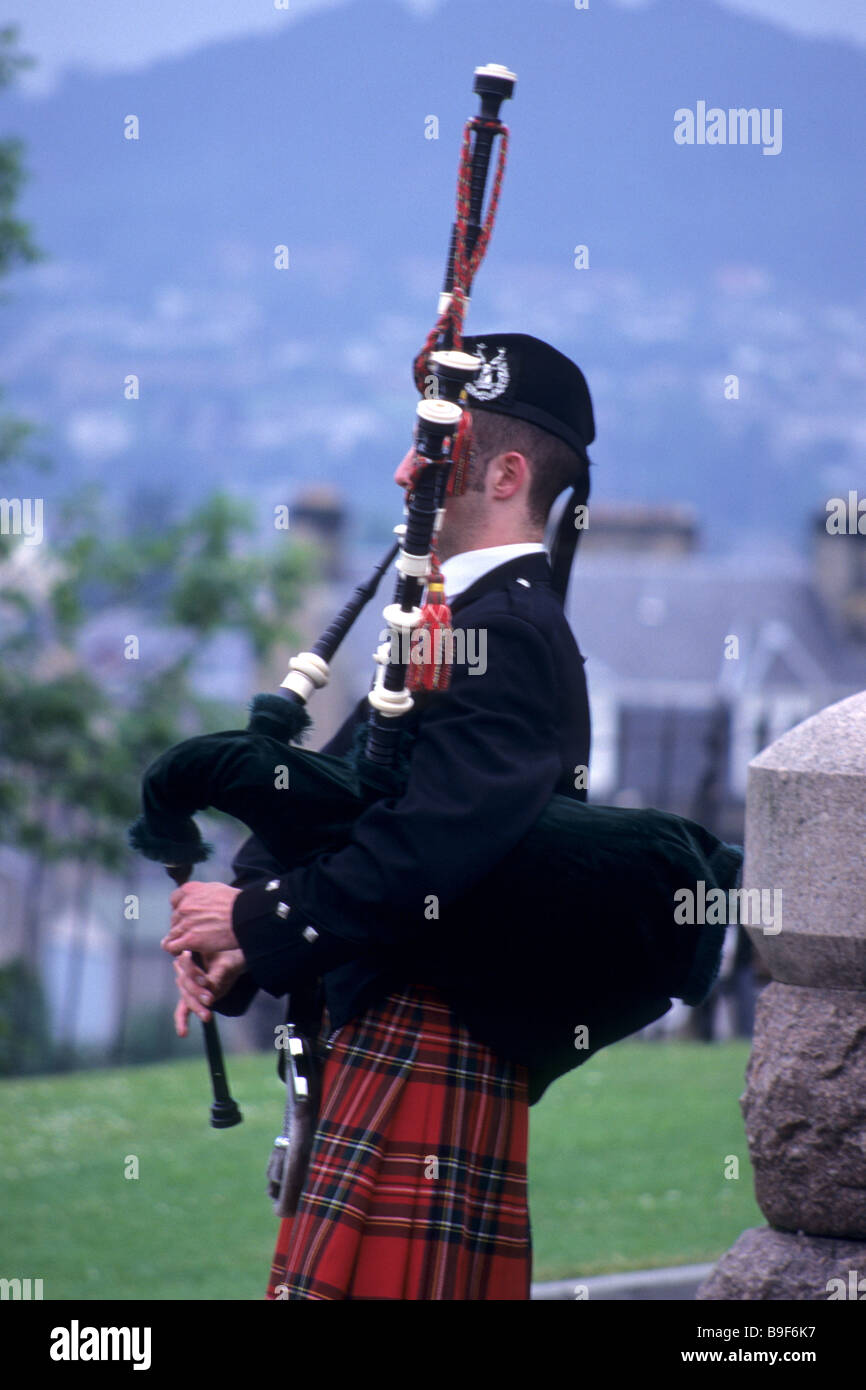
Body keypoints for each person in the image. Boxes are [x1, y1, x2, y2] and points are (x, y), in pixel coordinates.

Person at [162, 333, 594, 1300]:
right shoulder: (455, 622)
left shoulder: (508, 635)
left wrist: (254, 920)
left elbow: (426, 852)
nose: (403, 472)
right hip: (381, 1032)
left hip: (431, 1034)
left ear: (507, 476)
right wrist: (244, 942)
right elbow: (340, 797)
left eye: (433, 454)